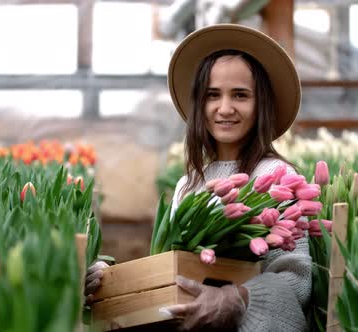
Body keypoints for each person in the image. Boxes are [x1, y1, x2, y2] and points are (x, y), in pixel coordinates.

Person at [85, 24, 312, 332]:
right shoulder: (188, 184)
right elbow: (170, 269)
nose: (225, 108)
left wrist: (237, 299)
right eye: (212, 95)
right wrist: (109, 278)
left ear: (261, 104)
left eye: (241, 95)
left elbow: (295, 280)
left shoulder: (275, 177)